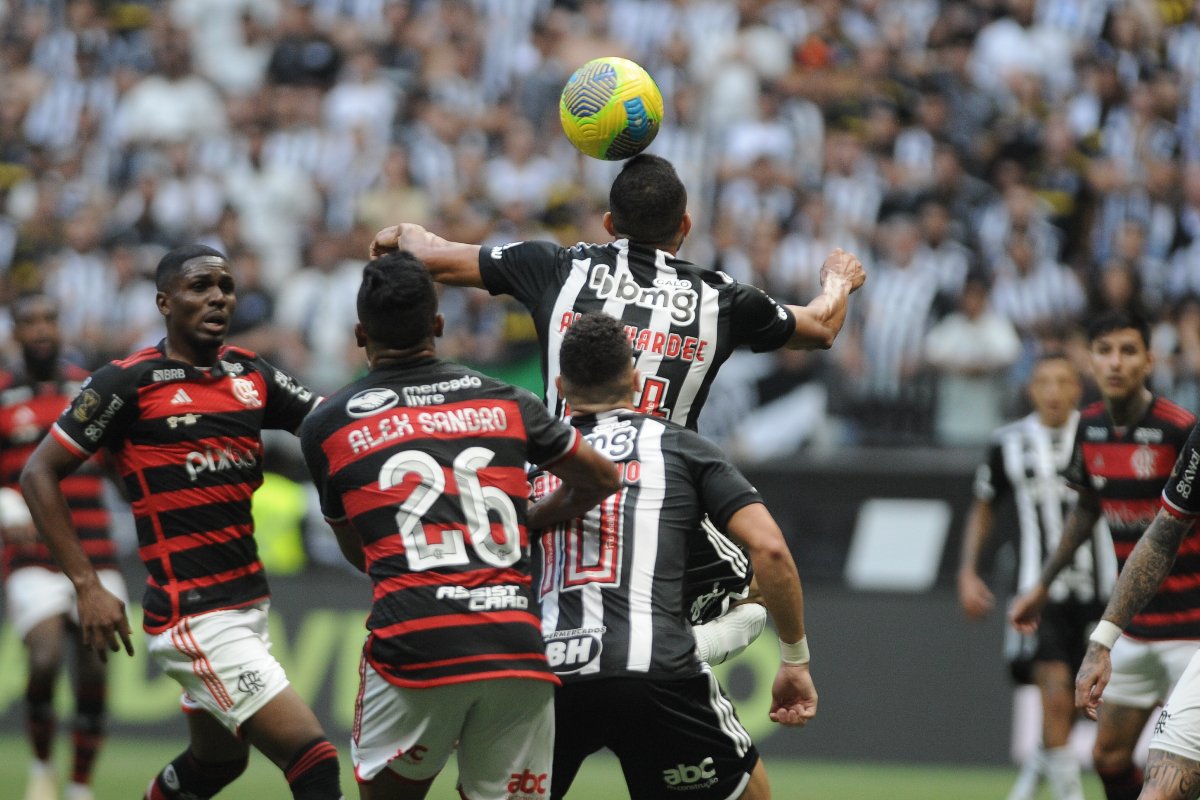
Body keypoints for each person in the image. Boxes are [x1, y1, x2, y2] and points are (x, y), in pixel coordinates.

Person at [368, 152, 865, 665]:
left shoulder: (557, 268)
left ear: (609, 224)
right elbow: (821, 326)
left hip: (559, 489)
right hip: (662, 498)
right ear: (686, 226)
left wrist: (403, 232)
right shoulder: (721, 299)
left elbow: (433, 255)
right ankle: (680, 654)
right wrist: (838, 279)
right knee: (760, 590)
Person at [19, 244, 344, 800]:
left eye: (226, 285)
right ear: (164, 302)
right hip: (195, 615)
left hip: (249, 605)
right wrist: (86, 583)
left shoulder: (251, 374)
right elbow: (37, 474)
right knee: (313, 758)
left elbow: (328, 422)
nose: (218, 296)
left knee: (216, 764)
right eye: (200, 287)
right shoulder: (126, 382)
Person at [298, 252, 619, 799]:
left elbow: (360, 550)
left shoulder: (326, 425)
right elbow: (601, 478)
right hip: (514, 645)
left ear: (359, 334)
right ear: (439, 326)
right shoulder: (508, 402)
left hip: (414, 646)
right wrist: (528, 521)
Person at [529, 312, 816, 799]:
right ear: (637, 381)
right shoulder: (679, 447)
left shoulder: (530, 466)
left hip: (544, 674)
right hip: (655, 672)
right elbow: (769, 548)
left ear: (560, 385)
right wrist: (794, 660)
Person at [1010, 310, 1200, 800]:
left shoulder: (1180, 429)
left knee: (1173, 771)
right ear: (1090, 361)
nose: (1116, 363)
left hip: (1191, 630)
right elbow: (1086, 510)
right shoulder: (1089, 429)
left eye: (1129, 351)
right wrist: (1043, 584)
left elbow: (1167, 533)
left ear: (1149, 360)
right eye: (1105, 351)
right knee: (1108, 757)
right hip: (1134, 630)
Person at [959, 352, 1116, 800]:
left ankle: (1031, 778)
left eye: (1062, 381)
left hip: (1102, 590)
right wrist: (969, 572)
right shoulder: (1008, 442)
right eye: (1043, 382)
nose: (1053, 391)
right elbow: (984, 506)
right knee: (1053, 694)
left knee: (1067, 705)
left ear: (1076, 389)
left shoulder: (1099, 436)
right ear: (1031, 389)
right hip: (1039, 593)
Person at [0, 293, 127, 800]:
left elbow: (120, 464)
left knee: (95, 667)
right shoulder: (3, 395)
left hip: (95, 550)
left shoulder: (89, 389)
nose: (41, 329)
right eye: (29, 321)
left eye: (48, 318)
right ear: (15, 331)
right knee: (46, 655)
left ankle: (78, 786)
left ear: (60, 325)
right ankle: (40, 769)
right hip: (33, 556)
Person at [1075, 380, 1200, 799]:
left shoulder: (1175, 425)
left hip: (1186, 626)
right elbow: (1163, 536)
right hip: (1148, 633)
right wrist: (1102, 640)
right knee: (1156, 789)